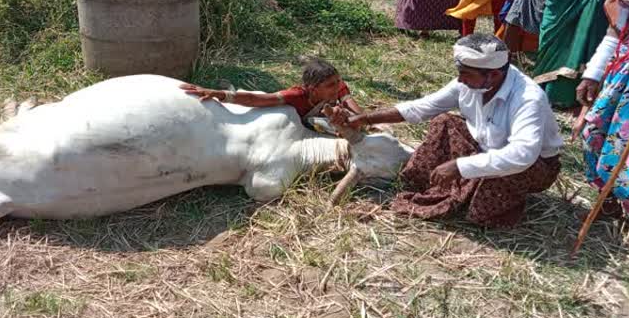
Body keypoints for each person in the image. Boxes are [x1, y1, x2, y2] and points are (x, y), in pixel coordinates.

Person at [329, 34, 563, 227]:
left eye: (466, 74)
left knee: (481, 214)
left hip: (533, 167)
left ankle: (490, 196)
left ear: (493, 74)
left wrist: (459, 166)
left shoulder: (528, 98)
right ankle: (425, 184)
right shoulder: (473, 81)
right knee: (444, 122)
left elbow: (522, 155)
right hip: (484, 148)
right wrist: (364, 118)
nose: (460, 80)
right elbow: (422, 107)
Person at [576, 0, 629, 226]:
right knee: (594, 130)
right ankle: (609, 199)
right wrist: (592, 74)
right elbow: (617, 28)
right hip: (625, 70)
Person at [180, 58, 363, 132]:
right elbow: (257, 99)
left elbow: (355, 110)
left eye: (338, 81)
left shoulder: (338, 87)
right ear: (313, 88)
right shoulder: (297, 96)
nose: (337, 86)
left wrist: (354, 118)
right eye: (330, 84)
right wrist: (220, 95)